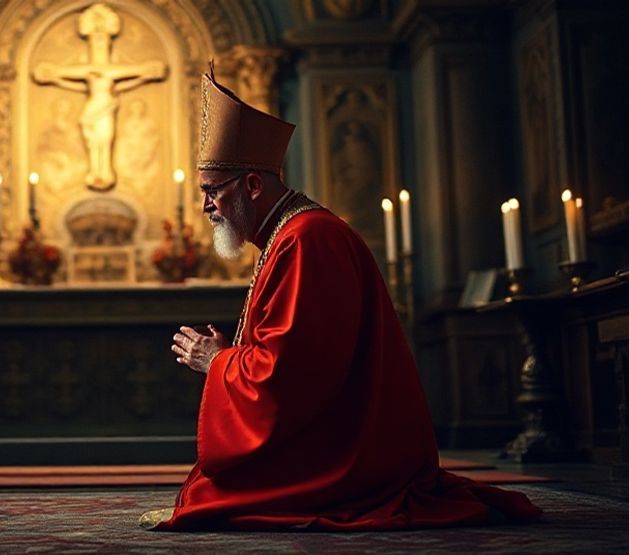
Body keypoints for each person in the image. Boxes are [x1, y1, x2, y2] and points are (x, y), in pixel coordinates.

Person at [140, 69, 541, 531]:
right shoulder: (285, 235)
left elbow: (293, 373)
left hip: (347, 449)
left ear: (252, 185)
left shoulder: (306, 239)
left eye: (213, 192)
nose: (207, 207)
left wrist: (217, 362)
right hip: (333, 428)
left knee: (215, 496)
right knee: (209, 489)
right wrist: (232, 357)